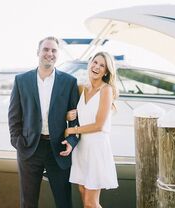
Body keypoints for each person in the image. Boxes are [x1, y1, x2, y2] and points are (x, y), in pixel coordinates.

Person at [8, 36, 79, 208]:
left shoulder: (69, 82)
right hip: (30, 148)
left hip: (59, 149)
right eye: (46, 49)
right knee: (28, 202)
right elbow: (13, 116)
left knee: (64, 202)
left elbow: (76, 119)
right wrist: (18, 142)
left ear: (58, 54)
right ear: (38, 52)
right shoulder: (21, 80)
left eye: (54, 50)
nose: (50, 53)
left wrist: (71, 141)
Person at [65, 51, 119, 208]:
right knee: (84, 195)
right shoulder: (82, 88)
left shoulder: (106, 90)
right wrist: (67, 117)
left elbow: (99, 125)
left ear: (106, 71)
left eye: (102, 65)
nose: (97, 67)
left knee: (90, 203)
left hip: (96, 148)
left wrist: (71, 131)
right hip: (81, 148)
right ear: (90, 63)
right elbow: (74, 113)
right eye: (95, 62)